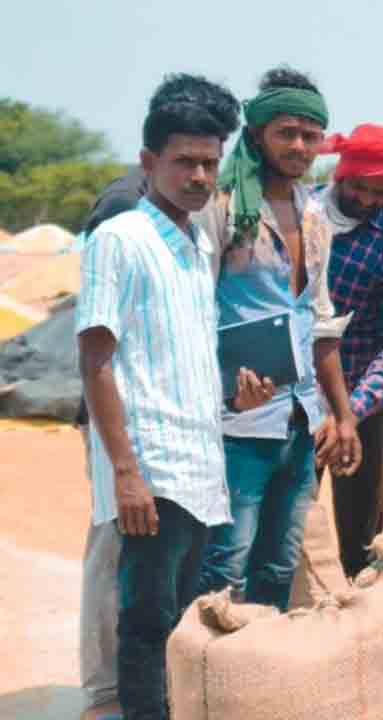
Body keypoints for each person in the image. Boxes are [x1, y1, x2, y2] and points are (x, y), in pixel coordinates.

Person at [77, 73, 268, 720]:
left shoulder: (199, 240)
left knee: (181, 623)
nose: (198, 175)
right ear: (148, 161)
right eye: (184, 161)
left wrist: (235, 399)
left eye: (210, 163)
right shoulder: (119, 239)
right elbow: (96, 360)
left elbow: (177, 357)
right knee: (146, 623)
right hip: (151, 467)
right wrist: (126, 473)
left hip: (198, 463)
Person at [195, 66, 361, 612]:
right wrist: (224, 386)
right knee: (225, 564)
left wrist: (343, 414)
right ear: (259, 133)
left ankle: (257, 682)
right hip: (237, 420)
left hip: (300, 419)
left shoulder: (316, 215)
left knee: (279, 564)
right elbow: (193, 314)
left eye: (311, 135)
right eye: (286, 132)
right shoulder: (222, 209)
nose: (299, 145)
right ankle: (198, 684)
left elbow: (320, 321)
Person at [315, 124, 383, 578]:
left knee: (361, 538)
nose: (366, 200)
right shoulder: (296, 216)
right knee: (281, 526)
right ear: (342, 174)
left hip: (359, 404)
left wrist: (351, 414)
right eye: (359, 187)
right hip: (286, 400)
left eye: (381, 193)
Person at [76, 165, 146, 719]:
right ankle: (105, 691)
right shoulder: (126, 209)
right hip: (115, 411)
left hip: (170, 412)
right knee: (113, 542)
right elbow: (101, 344)